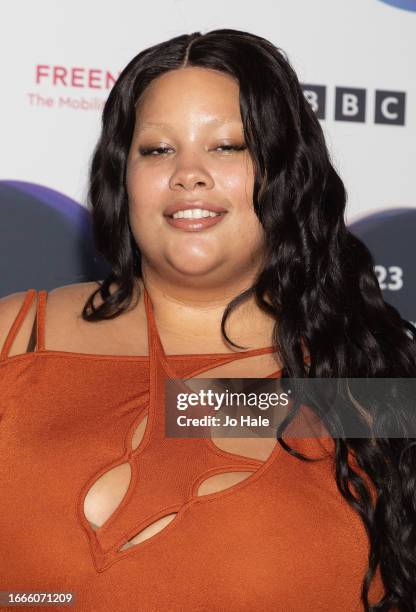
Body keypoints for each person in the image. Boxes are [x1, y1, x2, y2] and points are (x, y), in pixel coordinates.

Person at [0, 28, 415, 612]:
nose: (187, 173)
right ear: (122, 176)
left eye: (227, 146)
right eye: (157, 149)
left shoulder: (371, 380)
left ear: (285, 172)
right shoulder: (16, 338)